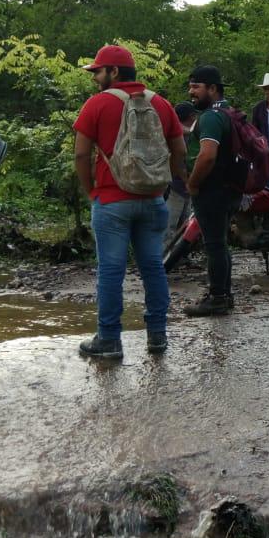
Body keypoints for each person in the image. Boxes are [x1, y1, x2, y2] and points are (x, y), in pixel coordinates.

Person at [72, 45, 187, 358]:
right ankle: (157, 337)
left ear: (114, 72)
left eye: (98, 71)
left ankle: (109, 340)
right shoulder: (161, 103)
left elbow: (81, 153)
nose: (95, 77)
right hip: (153, 201)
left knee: (111, 270)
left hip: (112, 201)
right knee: (153, 267)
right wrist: (170, 185)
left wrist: (91, 191)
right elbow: (180, 152)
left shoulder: (97, 104)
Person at [183, 65, 241, 317]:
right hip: (231, 188)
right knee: (221, 243)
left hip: (212, 190)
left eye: (196, 86)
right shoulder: (228, 112)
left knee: (215, 244)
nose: (191, 91)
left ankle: (217, 298)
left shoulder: (210, 117)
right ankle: (224, 295)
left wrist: (193, 183)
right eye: (191, 86)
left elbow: (207, 156)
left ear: (213, 88)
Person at [163, 101, 199, 251]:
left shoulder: (180, 133)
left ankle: (175, 256)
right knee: (171, 224)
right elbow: (178, 161)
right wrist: (187, 180)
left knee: (181, 224)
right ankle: (165, 255)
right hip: (177, 186)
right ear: (191, 116)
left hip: (179, 186)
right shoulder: (183, 136)